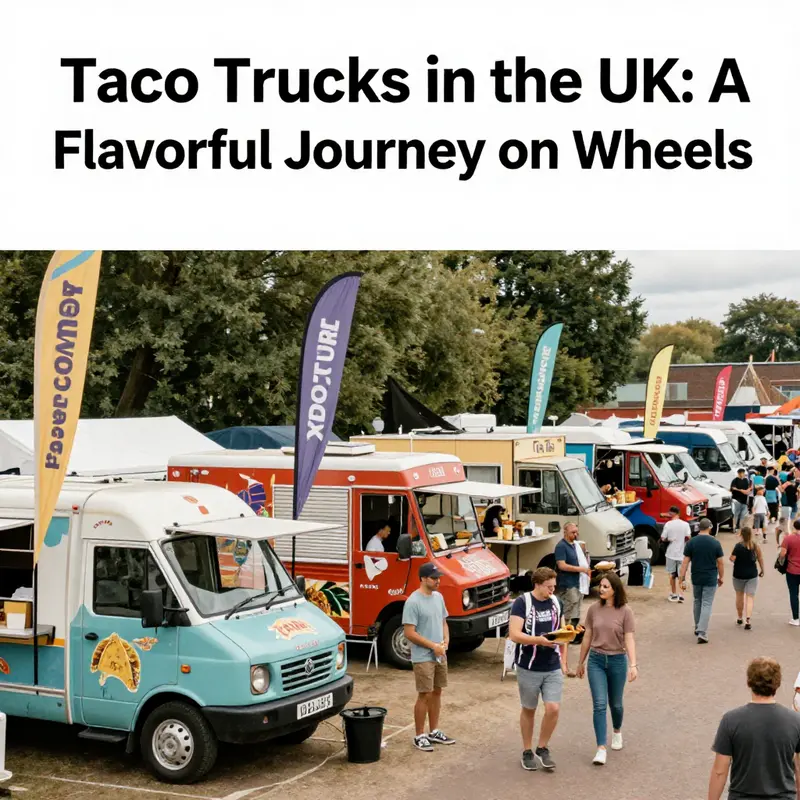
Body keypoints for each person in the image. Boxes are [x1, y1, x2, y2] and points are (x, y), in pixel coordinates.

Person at [708, 657, 800, 800]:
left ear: (749, 682)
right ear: (777, 683)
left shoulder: (731, 720)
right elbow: (799, 769)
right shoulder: (795, 721)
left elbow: (720, 771)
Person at [508, 566, 567, 772]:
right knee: (529, 709)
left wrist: (563, 661)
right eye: (549, 587)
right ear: (538, 584)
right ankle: (527, 750)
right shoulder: (522, 603)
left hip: (552, 666)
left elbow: (563, 633)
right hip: (529, 666)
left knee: (553, 708)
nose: (553, 590)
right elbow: (514, 634)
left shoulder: (557, 603)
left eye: (554, 586)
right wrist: (539, 641)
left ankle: (542, 747)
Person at [575, 572, 637, 766]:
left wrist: (633, 664)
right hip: (596, 660)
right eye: (600, 586)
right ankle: (601, 747)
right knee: (599, 704)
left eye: (605, 587)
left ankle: (617, 731)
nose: (601, 589)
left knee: (616, 704)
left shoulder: (626, 611)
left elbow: (629, 638)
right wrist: (581, 662)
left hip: (618, 660)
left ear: (615, 590)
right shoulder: (593, 609)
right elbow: (587, 636)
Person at [402, 562, 456, 751]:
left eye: (438, 577)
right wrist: (433, 646)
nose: (438, 581)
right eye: (434, 578)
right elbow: (409, 632)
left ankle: (434, 731)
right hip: (423, 655)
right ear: (423, 579)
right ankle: (419, 735)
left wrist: (445, 642)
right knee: (424, 693)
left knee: (437, 691)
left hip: (439, 653)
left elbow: (443, 622)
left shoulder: (438, 598)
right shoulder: (413, 602)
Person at [680, 518, 724, 644]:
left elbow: (685, 562)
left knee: (697, 601)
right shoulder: (715, 543)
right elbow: (720, 562)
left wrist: (682, 577)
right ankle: (702, 632)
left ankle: (697, 626)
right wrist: (721, 577)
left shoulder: (692, 542)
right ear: (709, 527)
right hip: (710, 577)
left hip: (696, 576)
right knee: (707, 603)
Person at [555, 522, 591, 634]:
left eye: (576, 532)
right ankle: (563, 630)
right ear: (565, 532)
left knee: (577, 606)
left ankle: (574, 630)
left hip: (578, 581)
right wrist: (580, 569)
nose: (575, 534)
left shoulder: (576, 545)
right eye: (573, 532)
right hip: (568, 583)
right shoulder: (561, 546)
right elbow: (562, 565)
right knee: (569, 607)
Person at [729, 526, 764, 630]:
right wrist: (762, 570)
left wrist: (734, 559)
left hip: (738, 574)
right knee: (750, 597)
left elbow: (732, 558)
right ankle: (748, 620)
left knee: (739, 596)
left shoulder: (738, 546)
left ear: (741, 535)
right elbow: (760, 558)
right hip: (752, 575)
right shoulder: (755, 546)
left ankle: (740, 618)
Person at [660, 505, 690, 603]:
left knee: (672, 575)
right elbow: (688, 537)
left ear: (671, 513)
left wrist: (670, 539)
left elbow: (663, 538)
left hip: (670, 553)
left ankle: (673, 594)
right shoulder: (685, 524)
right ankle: (681, 595)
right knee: (682, 575)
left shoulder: (668, 524)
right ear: (679, 513)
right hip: (682, 554)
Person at [779, 520, 800, 628]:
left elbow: (782, 553)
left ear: (794, 527)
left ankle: (796, 618)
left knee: (794, 594)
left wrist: (781, 560)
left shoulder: (789, 538)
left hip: (792, 570)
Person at [729, 467, 751, 533]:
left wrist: (747, 491)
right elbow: (732, 488)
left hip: (744, 500)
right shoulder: (735, 480)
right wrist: (741, 490)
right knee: (736, 514)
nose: (742, 474)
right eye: (740, 473)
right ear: (738, 473)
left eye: (743, 473)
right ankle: (734, 527)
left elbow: (749, 488)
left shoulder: (746, 480)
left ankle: (741, 528)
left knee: (742, 515)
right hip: (736, 500)